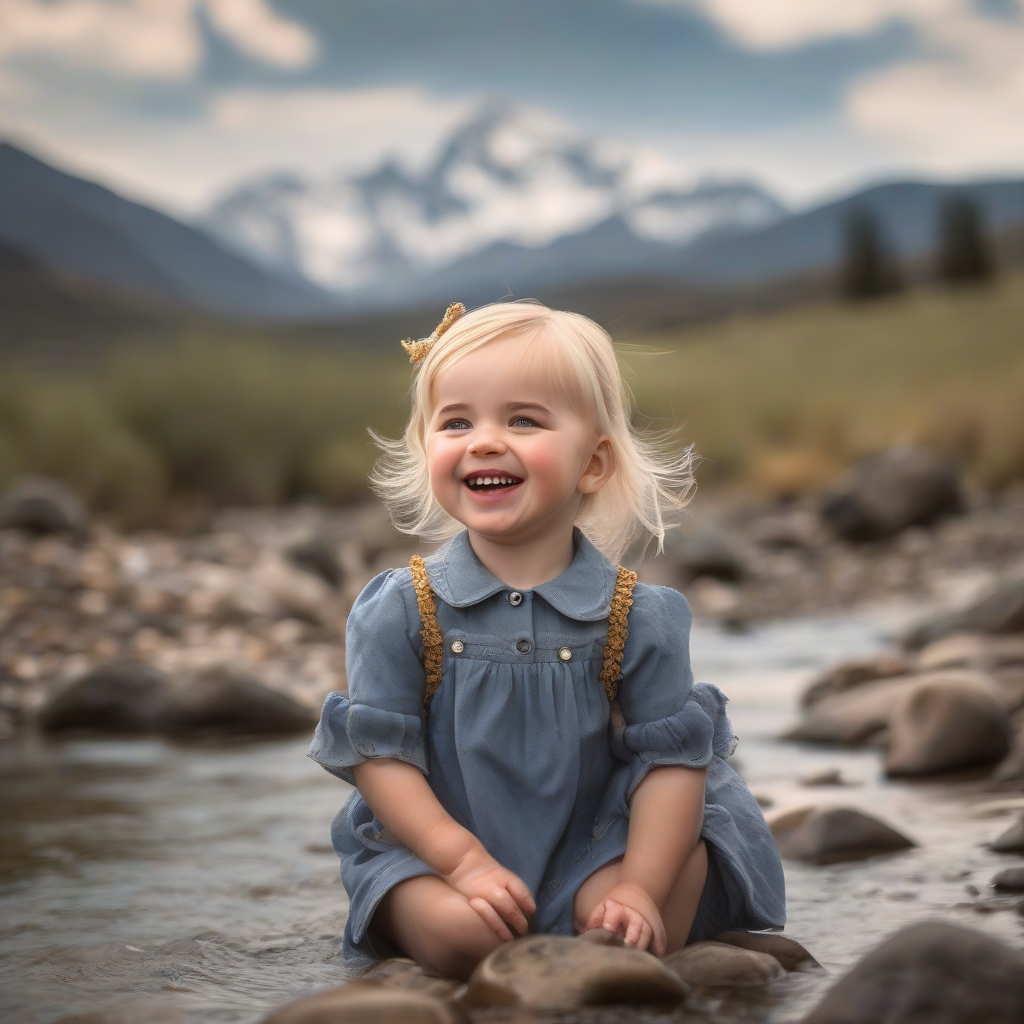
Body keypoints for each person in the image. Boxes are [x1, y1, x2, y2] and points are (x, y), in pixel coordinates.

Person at [309, 301, 785, 980]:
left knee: (634, 913)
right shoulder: (403, 609)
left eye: (523, 419)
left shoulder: (634, 615)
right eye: (456, 421)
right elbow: (380, 759)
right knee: (460, 937)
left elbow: (673, 767)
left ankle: (624, 924)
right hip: (438, 852)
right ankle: (463, 933)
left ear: (593, 462)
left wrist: (639, 886)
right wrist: (461, 861)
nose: (483, 441)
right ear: (427, 447)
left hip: (595, 846)